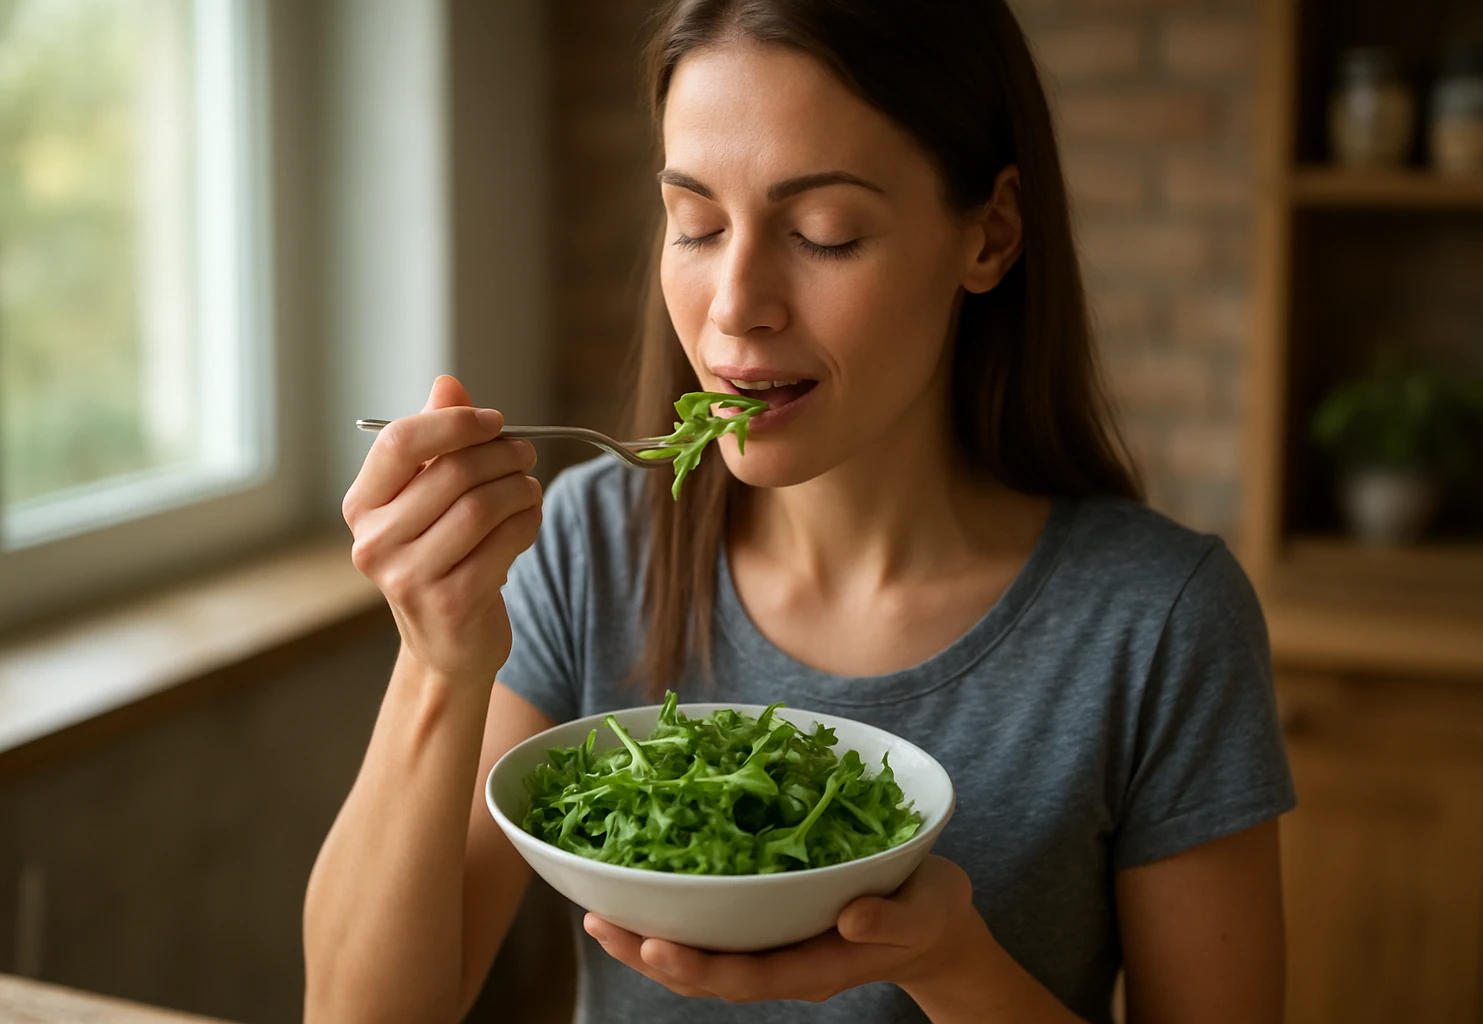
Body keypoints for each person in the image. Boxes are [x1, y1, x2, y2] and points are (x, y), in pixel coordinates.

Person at [302, 1, 1295, 1022]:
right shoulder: (590, 545)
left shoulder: (1159, 621)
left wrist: (952, 965)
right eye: (696, 224)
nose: (735, 305)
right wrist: (437, 662)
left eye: (825, 234)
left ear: (990, 234)